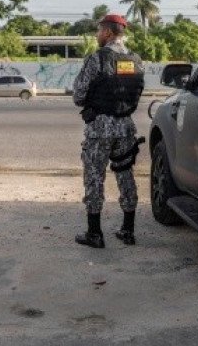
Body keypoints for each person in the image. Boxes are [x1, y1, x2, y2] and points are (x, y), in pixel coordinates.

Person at [72, 14, 145, 248]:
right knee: (125, 174)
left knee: (94, 177)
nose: (97, 35)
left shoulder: (98, 59)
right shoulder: (136, 60)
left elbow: (78, 95)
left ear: (108, 33)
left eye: (99, 31)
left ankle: (95, 234)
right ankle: (128, 230)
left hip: (100, 128)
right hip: (126, 126)